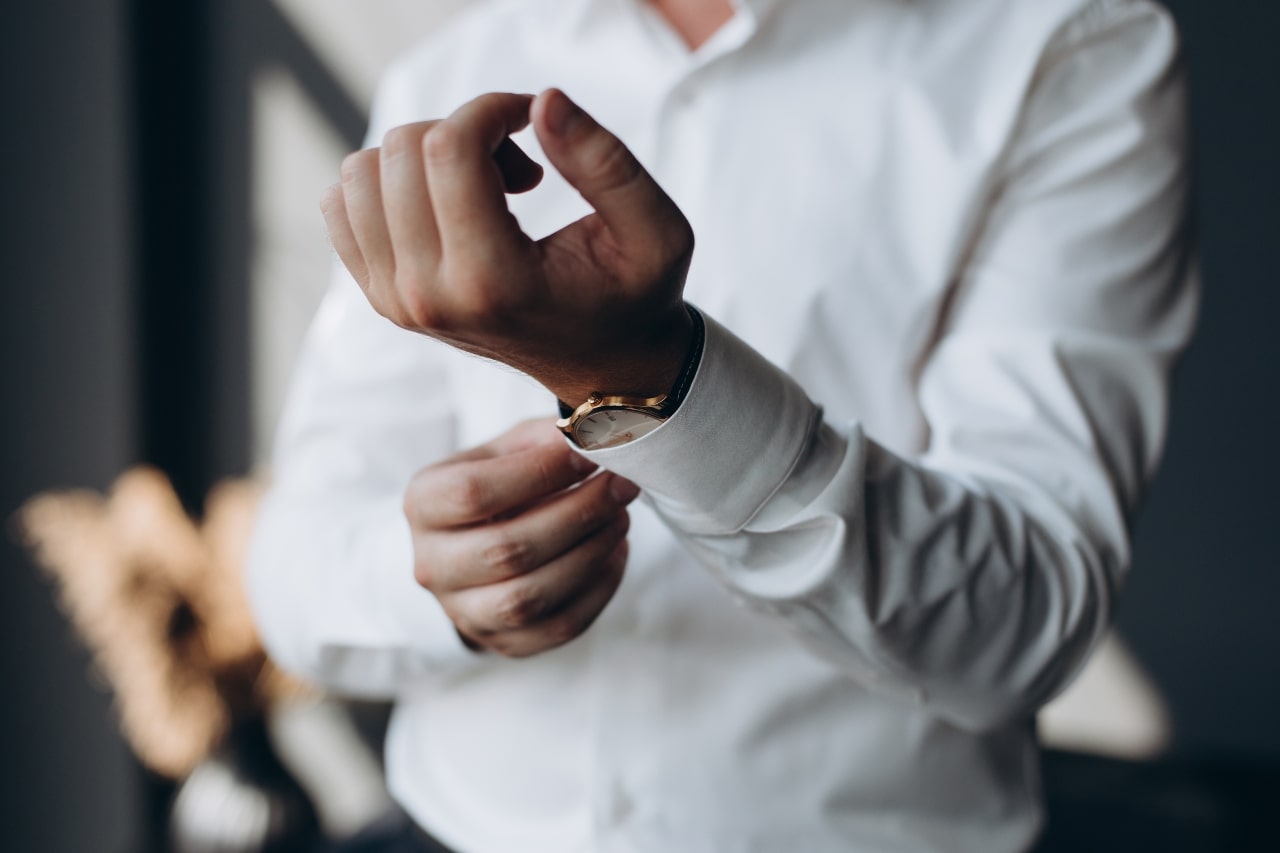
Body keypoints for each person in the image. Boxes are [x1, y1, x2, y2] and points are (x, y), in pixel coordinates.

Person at [247, 0, 1196, 850]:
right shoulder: (453, 69)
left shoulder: (1067, 45)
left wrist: (655, 384)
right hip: (453, 826)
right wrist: (438, 583)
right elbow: (293, 569)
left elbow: (1027, 621)